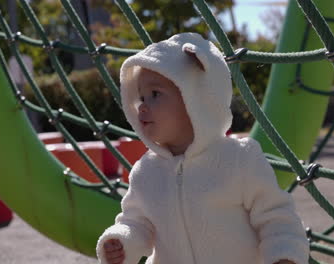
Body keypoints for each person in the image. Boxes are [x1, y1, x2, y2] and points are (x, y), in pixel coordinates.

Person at [96, 33, 309, 264]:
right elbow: (137, 222)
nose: (143, 107)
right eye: (141, 97)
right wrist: (122, 241)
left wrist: (284, 255)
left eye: (155, 94)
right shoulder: (146, 171)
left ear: (196, 98)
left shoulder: (239, 159)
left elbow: (276, 217)